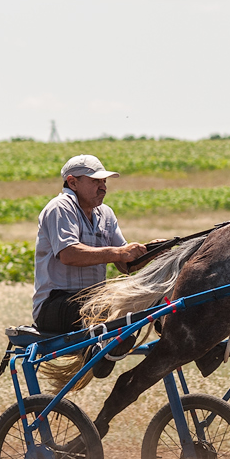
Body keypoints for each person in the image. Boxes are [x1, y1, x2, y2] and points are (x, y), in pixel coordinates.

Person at [32, 154, 148, 376]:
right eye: (96, 181)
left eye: (104, 181)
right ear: (72, 182)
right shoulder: (60, 208)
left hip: (92, 302)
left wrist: (151, 252)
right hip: (55, 305)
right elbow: (69, 254)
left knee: (150, 298)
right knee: (110, 305)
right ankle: (103, 353)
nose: (103, 187)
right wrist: (119, 252)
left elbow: (125, 266)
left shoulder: (105, 213)